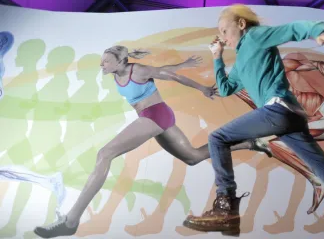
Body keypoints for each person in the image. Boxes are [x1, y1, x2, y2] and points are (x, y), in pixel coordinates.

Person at [182, 4, 324, 238]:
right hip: (289, 119)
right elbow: (225, 88)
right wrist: (217, 57)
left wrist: (319, 30)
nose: (222, 37)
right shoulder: (242, 60)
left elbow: (293, 28)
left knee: (217, 138)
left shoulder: (255, 37)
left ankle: (226, 208)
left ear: (241, 25)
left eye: (224, 30)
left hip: (278, 111)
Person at [33, 45, 269, 238]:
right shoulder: (120, 71)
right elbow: (165, 68)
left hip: (155, 115)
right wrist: (182, 63)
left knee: (104, 154)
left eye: (106, 61)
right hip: (153, 117)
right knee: (192, 157)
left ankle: (70, 220)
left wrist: (203, 89)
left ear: (120, 61)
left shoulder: (138, 71)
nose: (102, 64)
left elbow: (170, 76)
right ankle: (249, 143)